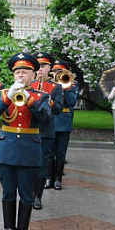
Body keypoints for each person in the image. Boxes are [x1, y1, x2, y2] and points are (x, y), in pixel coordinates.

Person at [0, 52, 52, 230]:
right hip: (7, 149)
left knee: (26, 194)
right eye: (17, 73)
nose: (20, 76)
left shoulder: (41, 96)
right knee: (8, 193)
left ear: (33, 75)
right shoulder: (4, 93)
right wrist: (6, 98)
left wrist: (29, 101)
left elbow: (47, 119)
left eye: (25, 72)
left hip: (28, 151)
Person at [31, 52, 63, 210]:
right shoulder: (29, 85)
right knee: (29, 163)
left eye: (44, 66)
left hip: (46, 131)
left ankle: (38, 196)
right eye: (38, 66)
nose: (40, 69)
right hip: (29, 131)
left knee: (42, 164)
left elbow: (58, 109)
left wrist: (49, 102)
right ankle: (29, 193)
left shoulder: (56, 87)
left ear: (50, 68)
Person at [52, 60, 79, 190]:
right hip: (51, 121)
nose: (57, 73)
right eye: (56, 71)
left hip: (64, 121)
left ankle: (58, 179)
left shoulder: (73, 85)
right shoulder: (50, 84)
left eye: (60, 71)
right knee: (49, 153)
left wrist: (67, 88)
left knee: (61, 153)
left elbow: (72, 102)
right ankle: (48, 178)